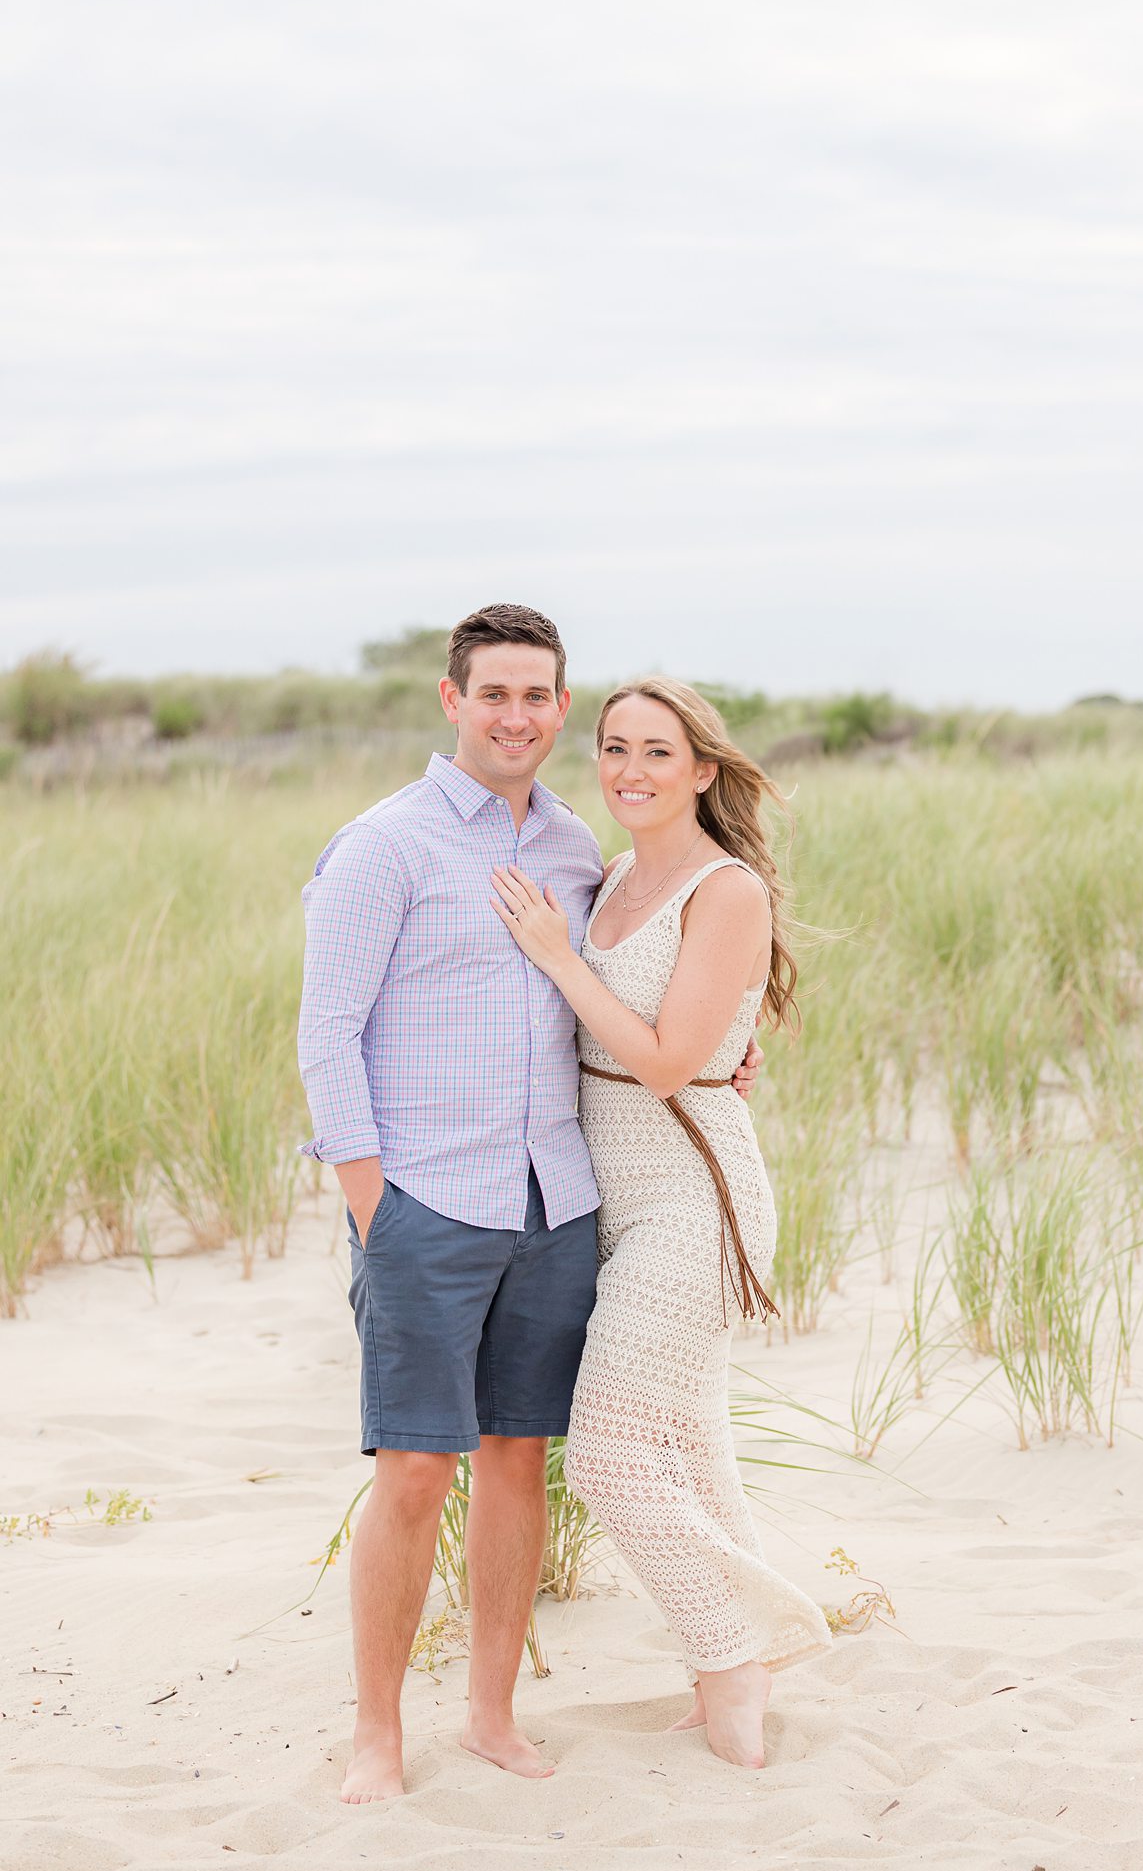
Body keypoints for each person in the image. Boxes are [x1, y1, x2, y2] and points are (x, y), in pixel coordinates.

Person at [297, 606, 760, 1803]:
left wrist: (729, 1061)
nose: (516, 717)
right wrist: (370, 1208)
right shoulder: (380, 847)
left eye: (537, 697)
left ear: (561, 709)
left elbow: (650, 995)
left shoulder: (576, 851)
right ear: (451, 700)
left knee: (517, 1462)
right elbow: (325, 1039)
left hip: (558, 1205)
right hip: (426, 1209)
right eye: (491, 693)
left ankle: (493, 1717)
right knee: (413, 1472)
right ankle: (376, 1739)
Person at [489, 677, 832, 1770]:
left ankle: (734, 1651)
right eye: (613, 748)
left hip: (695, 1198)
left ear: (703, 770)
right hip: (610, 1201)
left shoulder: (724, 891)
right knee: (690, 1447)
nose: (630, 770)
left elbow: (665, 1060)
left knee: (606, 1455)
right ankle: (729, 1666)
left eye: (656, 751)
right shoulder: (612, 874)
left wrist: (557, 957)